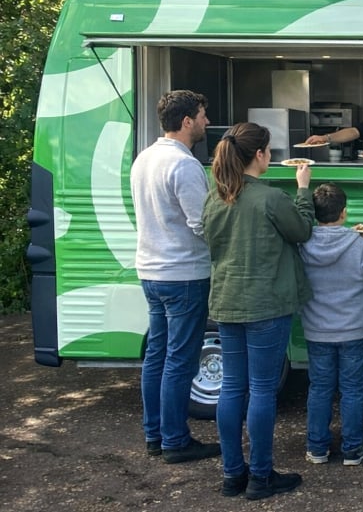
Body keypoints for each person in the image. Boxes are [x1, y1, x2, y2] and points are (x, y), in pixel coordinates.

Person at [202, 122, 314, 501]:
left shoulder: (216, 197)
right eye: (267, 150)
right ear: (260, 155)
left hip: (227, 301)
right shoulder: (270, 197)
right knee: (262, 390)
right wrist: (303, 189)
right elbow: (301, 231)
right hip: (266, 303)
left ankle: (233, 475)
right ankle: (261, 477)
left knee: (232, 387)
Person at [130, 89, 221, 464]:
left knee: (157, 356)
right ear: (186, 121)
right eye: (202, 115)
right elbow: (202, 224)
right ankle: (175, 441)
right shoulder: (184, 166)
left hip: (151, 270)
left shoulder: (144, 158)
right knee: (181, 360)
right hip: (183, 272)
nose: (206, 122)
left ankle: (154, 434)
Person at [299, 182, 363, 467]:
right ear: (344, 213)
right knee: (353, 389)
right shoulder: (360, 244)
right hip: (356, 328)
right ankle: (352, 449)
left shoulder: (302, 244)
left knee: (320, 388)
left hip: (317, 329)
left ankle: (317, 448)